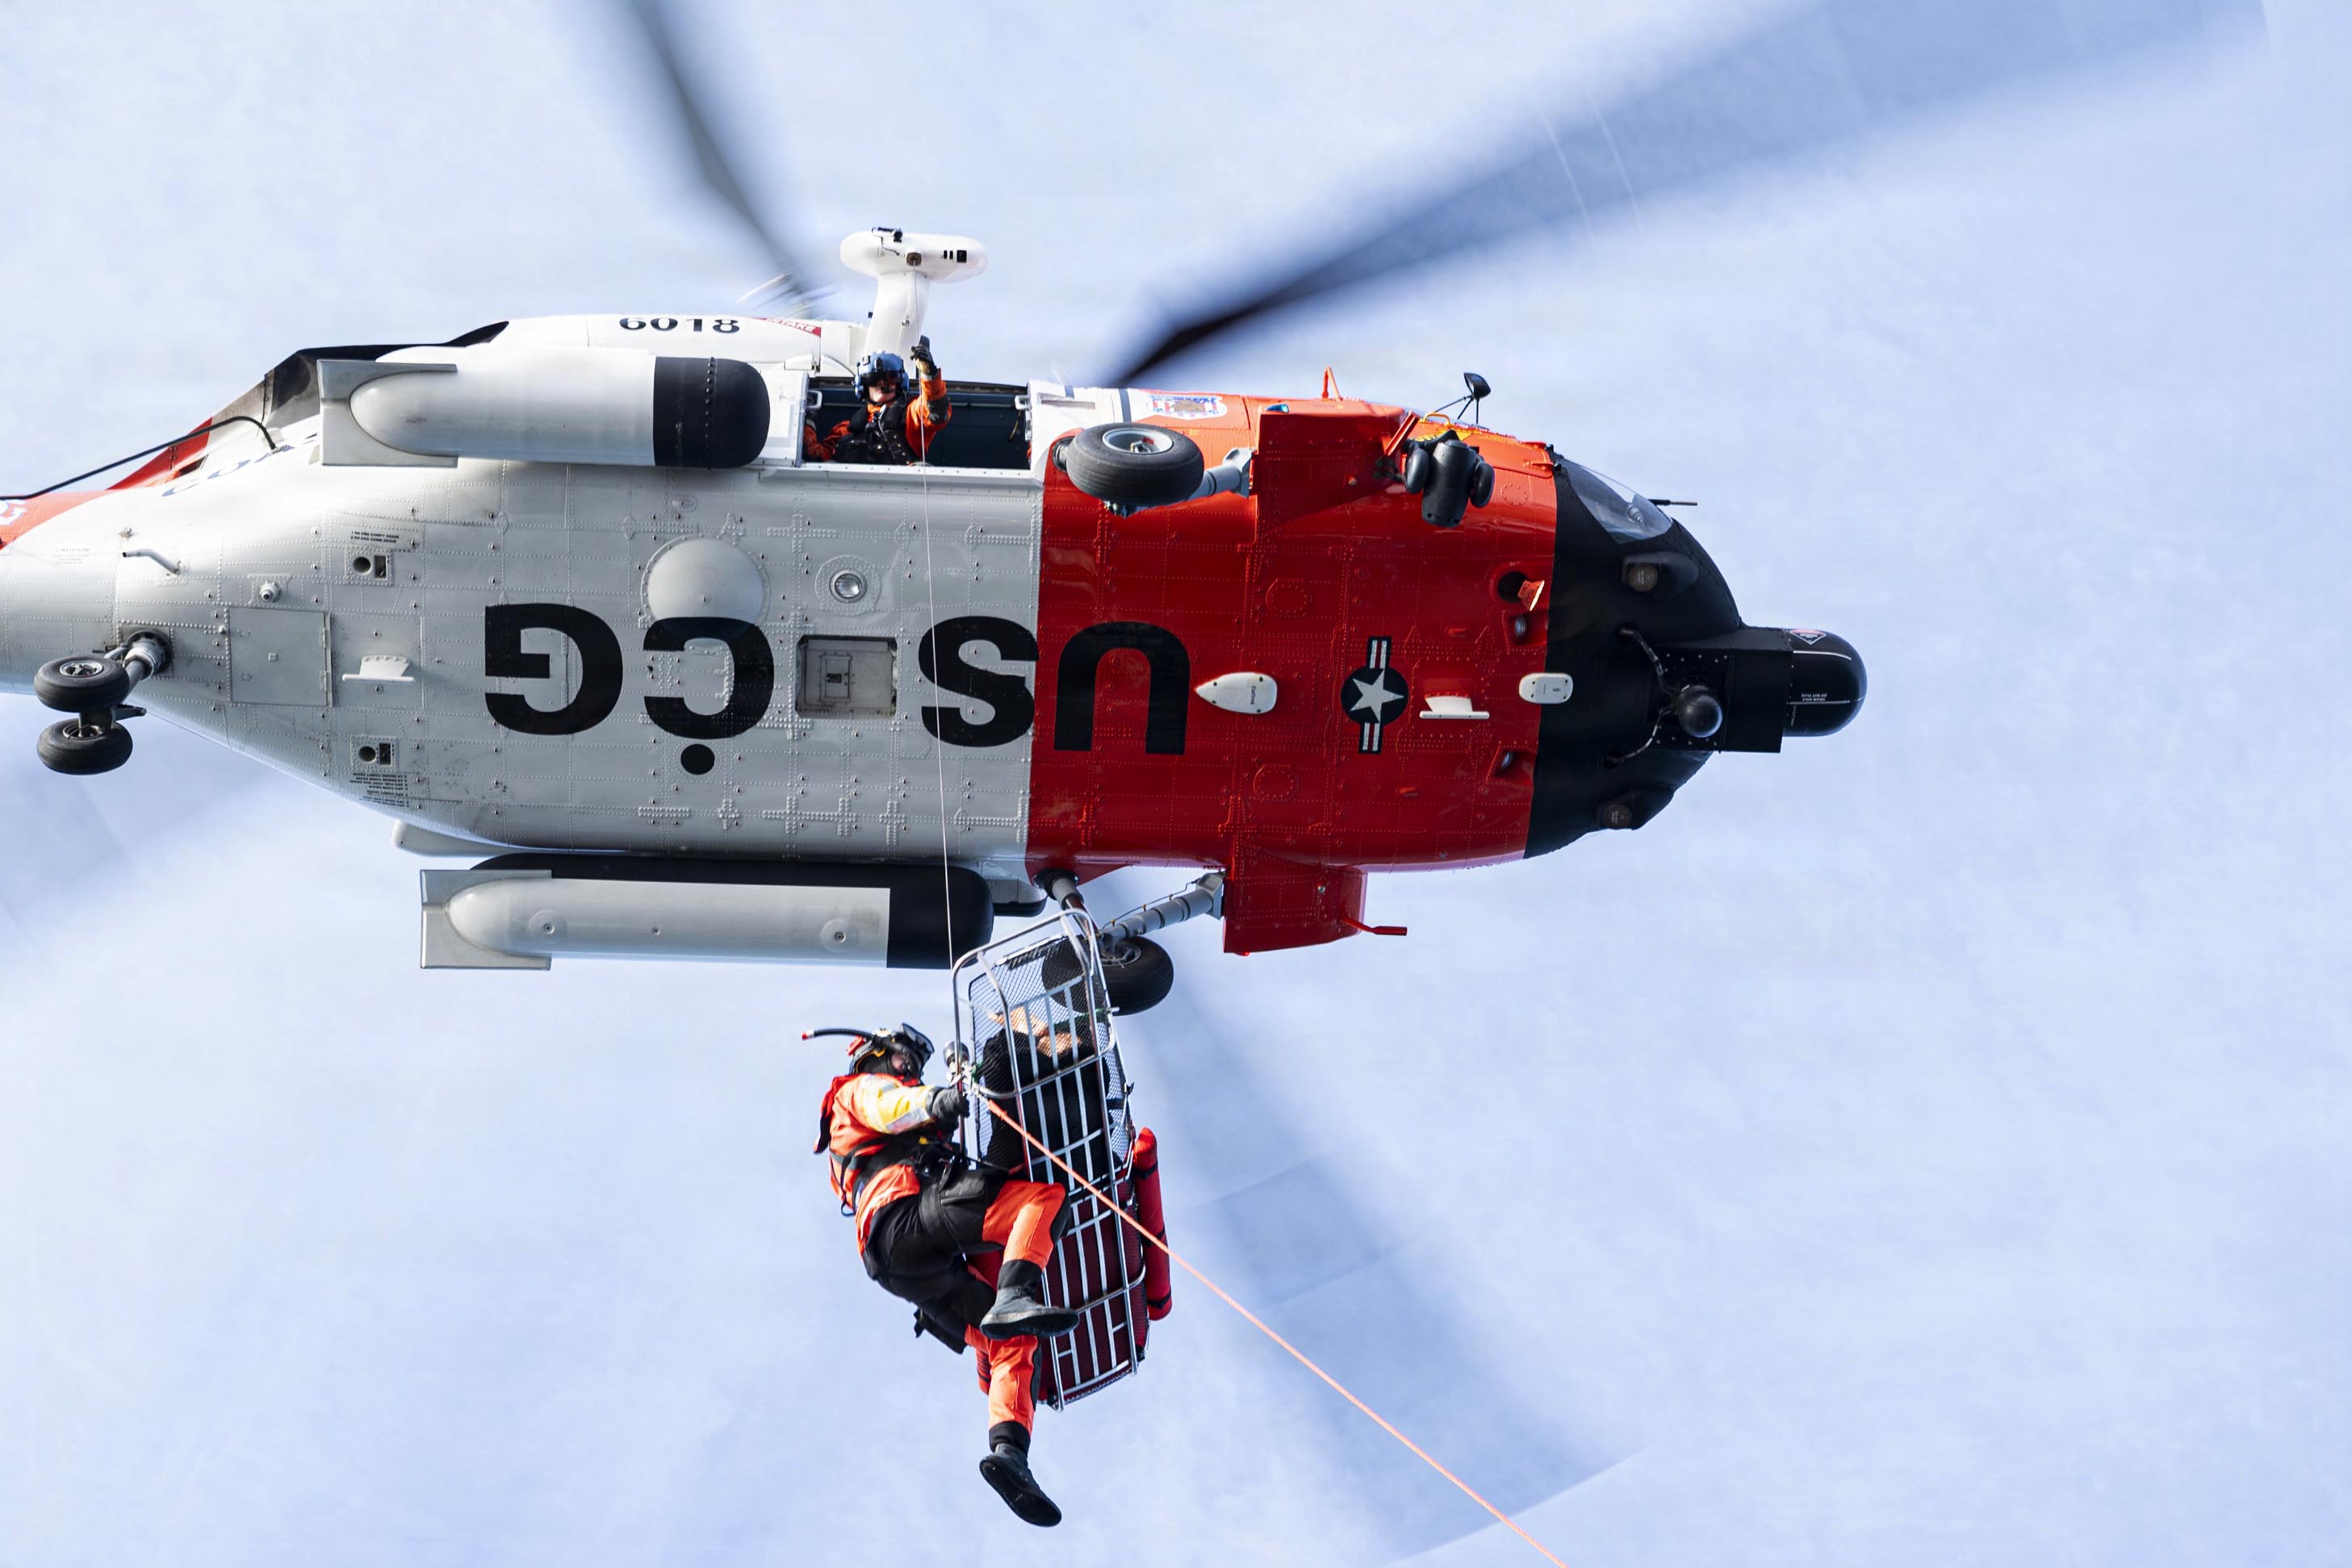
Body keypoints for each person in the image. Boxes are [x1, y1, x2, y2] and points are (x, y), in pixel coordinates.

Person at [810, 1022, 1075, 1527]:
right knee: (1044, 1200)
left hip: (900, 1264)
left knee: (1010, 1340)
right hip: (907, 1218)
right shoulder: (857, 1091)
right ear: (876, 1056)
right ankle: (1016, 1290)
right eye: (905, 1060)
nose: (910, 1070)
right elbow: (892, 1107)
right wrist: (942, 1101)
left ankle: (1010, 1454)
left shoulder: (874, 1125)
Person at [806, 337, 951, 463]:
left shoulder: (911, 417)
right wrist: (808, 419)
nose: (882, 384)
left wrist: (929, 374)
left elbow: (937, 412)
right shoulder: (846, 429)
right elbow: (816, 456)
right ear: (863, 385)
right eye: (874, 379)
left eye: (890, 378)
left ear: (900, 383)